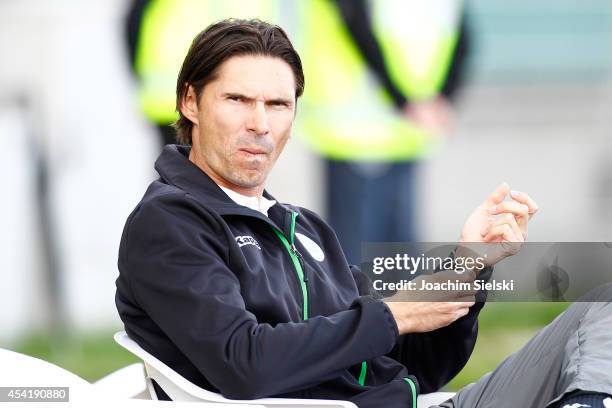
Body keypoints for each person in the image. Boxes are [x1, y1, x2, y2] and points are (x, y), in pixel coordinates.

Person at [115, 19, 612, 408]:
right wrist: (393, 314)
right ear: (191, 102)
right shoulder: (170, 224)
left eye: (278, 104)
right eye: (238, 100)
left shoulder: (301, 227)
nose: (260, 124)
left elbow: (413, 365)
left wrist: (469, 266)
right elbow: (244, 363)